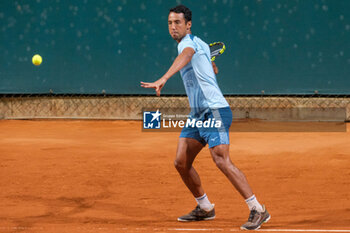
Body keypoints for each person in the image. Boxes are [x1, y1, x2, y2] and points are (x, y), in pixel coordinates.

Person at [140, 5, 270, 230]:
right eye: (170, 23)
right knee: (181, 162)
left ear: (188, 25)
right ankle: (205, 207)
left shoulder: (188, 44)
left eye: (178, 23)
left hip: (215, 110)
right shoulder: (200, 44)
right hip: (197, 114)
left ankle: (258, 209)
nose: (173, 27)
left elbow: (187, 55)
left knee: (221, 159)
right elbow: (209, 68)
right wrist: (210, 67)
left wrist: (164, 78)